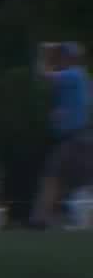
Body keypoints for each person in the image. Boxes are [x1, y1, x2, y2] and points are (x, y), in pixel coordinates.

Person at [29, 41, 91, 228]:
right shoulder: (79, 77)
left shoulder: (73, 74)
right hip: (79, 138)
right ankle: (43, 218)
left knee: (52, 176)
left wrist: (42, 53)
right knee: (58, 179)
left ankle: (39, 220)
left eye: (63, 56)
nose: (60, 59)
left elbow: (43, 76)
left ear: (70, 59)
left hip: (75, 139)